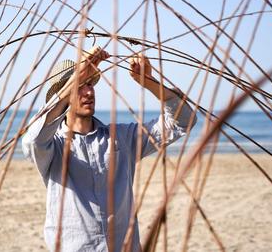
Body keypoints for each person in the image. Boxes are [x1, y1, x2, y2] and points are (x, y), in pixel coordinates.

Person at [22, 46, 197, 251]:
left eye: (90, 84)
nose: (88, 91)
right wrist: (75, 77)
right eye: (80, 85)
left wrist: (150, 83)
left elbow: (183, 121)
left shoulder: (121, 138)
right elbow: (32, 140)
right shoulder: (53, 146)